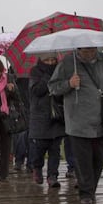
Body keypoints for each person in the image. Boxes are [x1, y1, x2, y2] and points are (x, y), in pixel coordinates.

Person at [48, 47, 103, 204]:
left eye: (91, 49)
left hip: (102, 119)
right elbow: (53, 87)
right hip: (77, 121)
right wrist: (69, 83)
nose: (88, 53)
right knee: (83, 160)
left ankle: (90, 189)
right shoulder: (67, 62)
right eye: (84, 50)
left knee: (99, 158)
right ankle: (86, 193)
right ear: (78, 48)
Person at [29, 53, 65, 187]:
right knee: (40, 147)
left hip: (57, 115)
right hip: (40, 117)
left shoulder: (60, 71)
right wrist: (47, 77)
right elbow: (36, 91)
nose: (50, 62)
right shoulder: (35, 72)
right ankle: (37, 168)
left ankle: (52, 176)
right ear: (41, 60)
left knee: (55, 149)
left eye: (53, 60)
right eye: (47, 60)